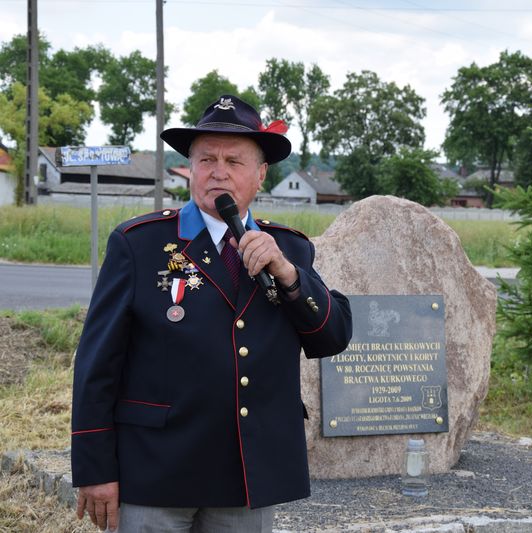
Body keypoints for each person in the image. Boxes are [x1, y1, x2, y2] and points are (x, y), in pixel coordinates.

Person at [70, 94, 352, 532]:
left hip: (246, 474)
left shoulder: (290, 249)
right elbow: (96, 364)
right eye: (206, 159)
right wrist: (94, 468)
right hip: (155, 471)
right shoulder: (139, 244)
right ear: (190, 171)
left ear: (260, 175)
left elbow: (331, 337)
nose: (218, 171)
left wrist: (287, 274)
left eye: (234, 161)